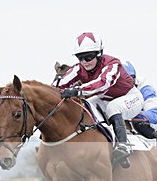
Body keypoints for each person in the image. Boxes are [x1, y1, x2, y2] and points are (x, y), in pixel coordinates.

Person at [57, 32, 143, 167]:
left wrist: (78, 90)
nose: (84, 62)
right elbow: (59, 86)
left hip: (130, 97)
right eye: (80, 58)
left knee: (113, 108)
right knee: (85, 104)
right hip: (104, 98)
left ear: (99, 54)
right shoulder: (78, 68)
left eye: (88, 57)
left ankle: (123, 146)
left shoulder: (112, 63)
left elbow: (103, 84)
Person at [122, 61, 157, 155]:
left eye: (131, 80)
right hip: (133, 120)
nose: (129, 85)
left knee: (138, 122)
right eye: (125, 81)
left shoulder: (145, 88)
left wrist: (128, 114)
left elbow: (153, 116)